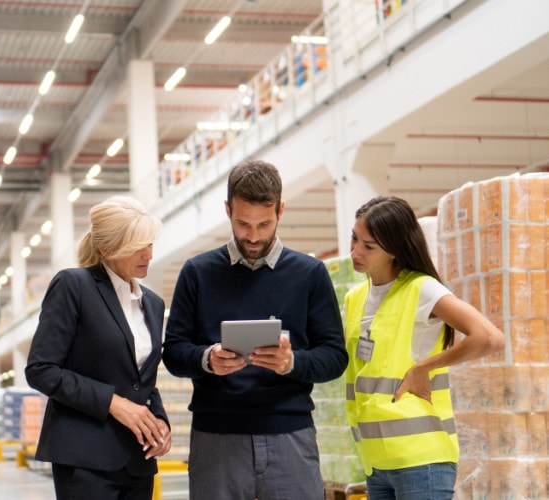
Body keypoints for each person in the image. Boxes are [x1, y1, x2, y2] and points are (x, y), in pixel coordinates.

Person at [162, 160, 348, 500]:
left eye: (264, 224)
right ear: (227, 209)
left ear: (281, 209)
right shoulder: (197, 273)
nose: (253, 236)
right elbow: (173, 351)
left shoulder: (310, 274)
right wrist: (207, 359)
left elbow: (334, 357)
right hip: (216, 438)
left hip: (290, 433)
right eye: (242, 223)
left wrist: (291, 363)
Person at [345, 195, 505, 500]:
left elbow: (489, 337)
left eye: (368, 246)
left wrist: (424, 367)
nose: (355, 251)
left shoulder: (421, 289)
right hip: (374, 460)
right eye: (354, 238)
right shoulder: (355, 298)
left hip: (421, 460)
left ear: (394, 249)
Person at [24, 195, 171, 500]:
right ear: (107, 248)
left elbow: (144, 381)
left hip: (138, 459)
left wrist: (159, 423)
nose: (149, 254)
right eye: (138, 246)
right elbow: (41, 370)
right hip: (85, 458)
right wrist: (113, 403)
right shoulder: (73, 286)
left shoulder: (153, 304)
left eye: (150, 244)